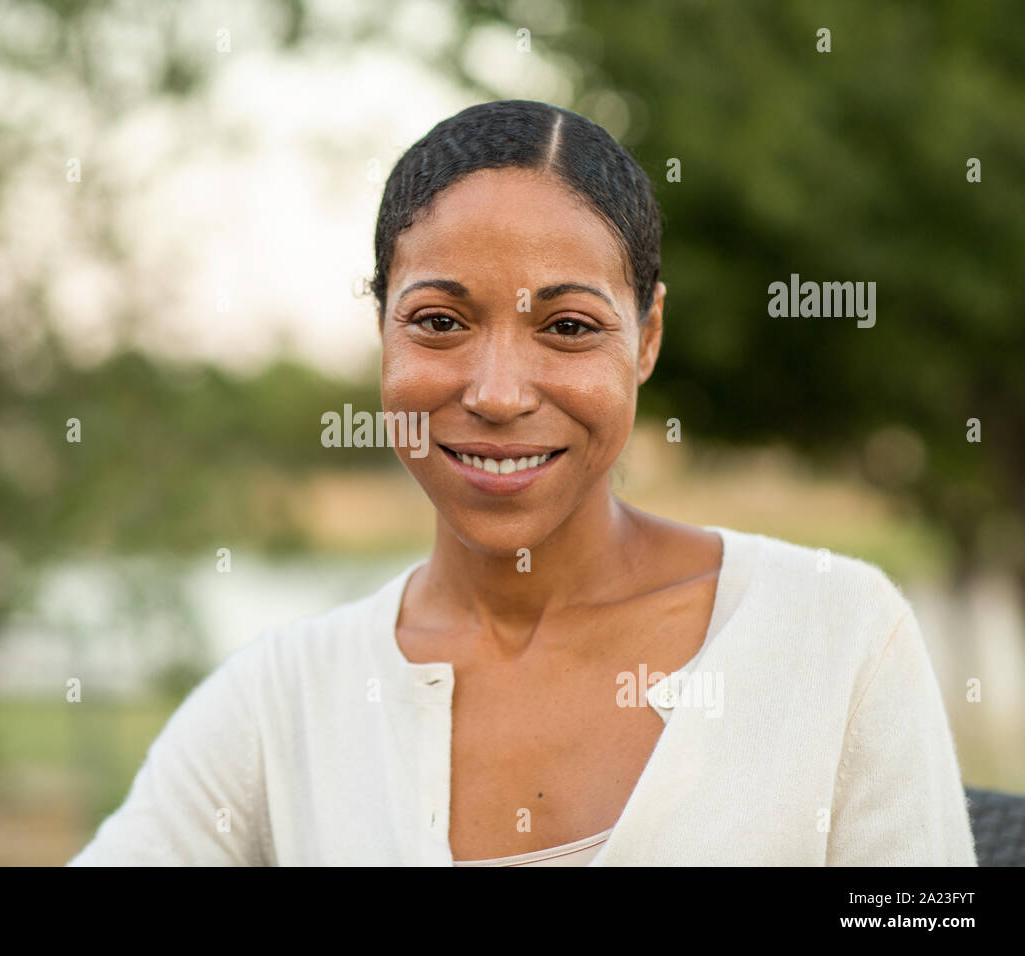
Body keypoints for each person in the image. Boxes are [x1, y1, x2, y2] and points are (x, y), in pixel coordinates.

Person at [68, 100, 976, 866]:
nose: (497, 394)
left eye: (571, 328)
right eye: (438, 320)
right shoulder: (284, 702)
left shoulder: (837, 639)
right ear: (380, 326)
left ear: (649, 337)